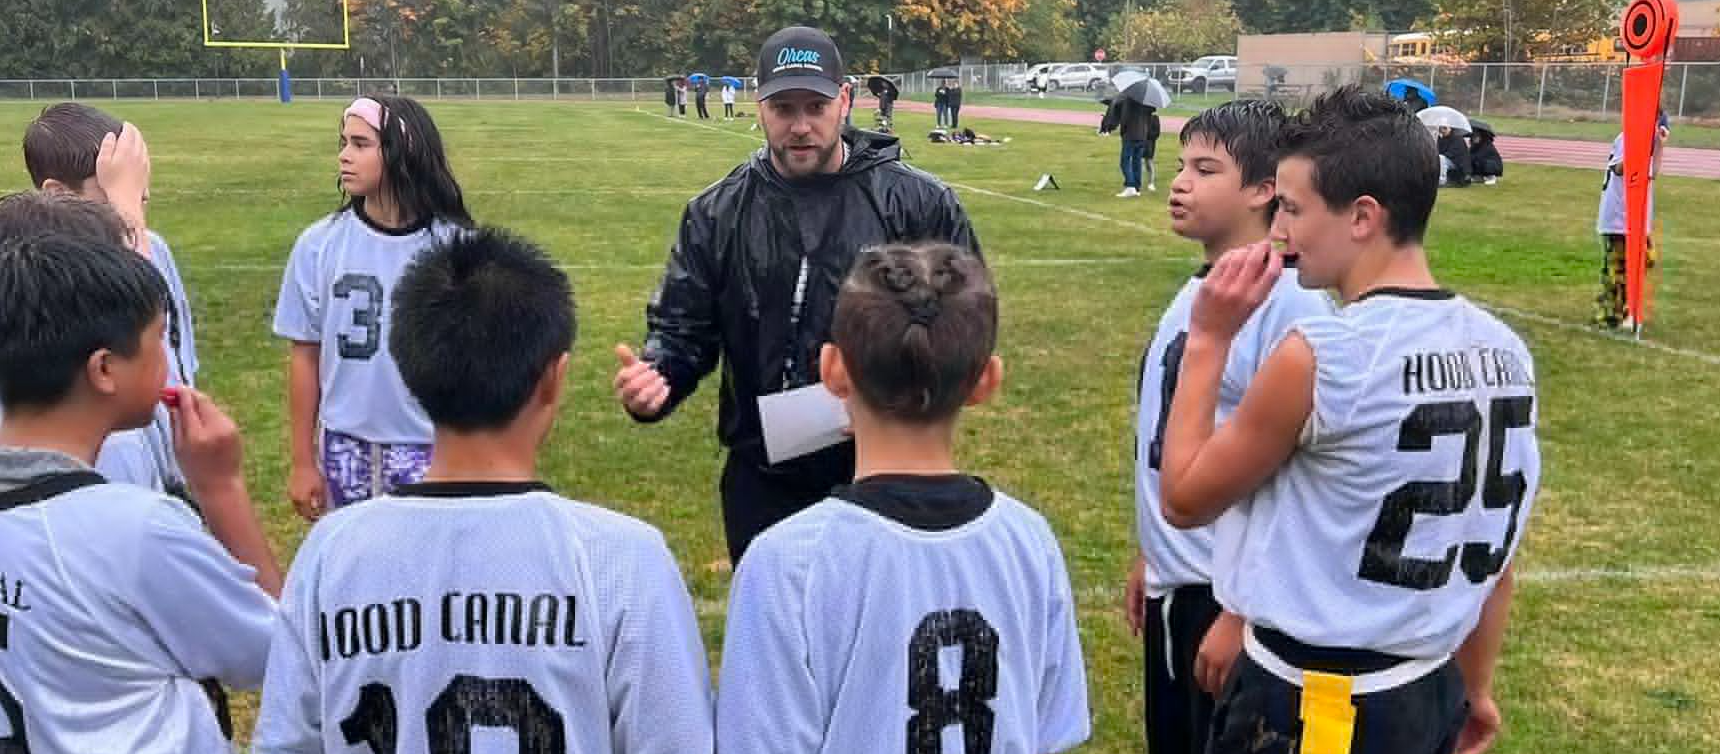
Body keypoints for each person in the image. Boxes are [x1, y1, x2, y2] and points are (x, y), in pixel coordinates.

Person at [1159, 85, 1540, 754]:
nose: (1279, 230)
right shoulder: (1504, 347)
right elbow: (1498, 560)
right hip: (1427, 686)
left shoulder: (1325, 354)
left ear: (1362, 216)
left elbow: (1186, 498)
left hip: (1318, 703)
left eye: (1294, 209)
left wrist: (1209, 339)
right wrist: (1477, 687)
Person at [253, 228, 714, 753]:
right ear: (554, 379)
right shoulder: (623, 560)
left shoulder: (330, 554)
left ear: (410, 370)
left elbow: (287, 742)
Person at [613, 25, 979, 564]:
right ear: (759, 107)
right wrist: (660, 373)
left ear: (846, 99)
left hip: (884, 471)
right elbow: (682, 329)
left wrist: (889, 392)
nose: (801, 126)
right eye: (784, 108)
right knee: (772, 635)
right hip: (763, 477)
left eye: (816, 105)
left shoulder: (917, 204)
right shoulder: (717, 213)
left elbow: (962, 323)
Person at [715, 243, 1091, 754]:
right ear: (987, 381)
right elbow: (1052, 728)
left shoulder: (787, 563)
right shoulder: (1030, 541)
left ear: (831, 370)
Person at [0, 232, 282, 754]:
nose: (168, 356)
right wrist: (221, 489)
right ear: (105, 369)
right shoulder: (134, 531)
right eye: (160, 338)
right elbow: (277, 652)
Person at [1132, 99, 1335, 754]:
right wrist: (1155, 552)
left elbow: (1305, 474)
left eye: (1205, 168)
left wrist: (1243, 608)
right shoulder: (1207, 288)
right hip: (1181, 582)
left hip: (1226, 604)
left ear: (1263, 189)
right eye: (1180, 165)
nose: (1179, 182)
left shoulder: (1291, 303)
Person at [274, 95, 473, 520]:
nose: (344, 156)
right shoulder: (319, 244)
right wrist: (302, 461)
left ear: (403, 151)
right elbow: (305, 357)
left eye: (361, 144)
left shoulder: (456, 249)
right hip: (344, 449)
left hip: (430, 447)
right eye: (343, 143)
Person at [26, 103, 203, 492]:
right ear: (57, 194)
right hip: (113, 466)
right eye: (114, 186)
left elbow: (177, 351)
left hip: (171, 458)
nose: (137, 201)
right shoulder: (46, 278)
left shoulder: (152, 247)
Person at [1596, 121, 1665, 329]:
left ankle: (1622, 308)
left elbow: (1652, 173)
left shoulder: (1648, 139)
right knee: (1619, 267)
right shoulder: (1628, 137)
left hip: (1637, 216)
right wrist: (1641, 148)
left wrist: (1659, 145)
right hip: (1619, 216)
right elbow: (1619, 168)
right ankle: (1614, 313)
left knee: (1645, 259)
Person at [1101, 94, 1158, 197]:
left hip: (1131, 134)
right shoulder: (1147, 102)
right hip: (1143, 135)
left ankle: (1130, 185)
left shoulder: (1129, 101)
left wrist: (1122, 131)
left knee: (1125, 161)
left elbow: (1125, 118)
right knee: (1137, 161)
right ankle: (1136, 187)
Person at [1144, 108, 1164, 193]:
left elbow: (1156, 133)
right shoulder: (1142, 117)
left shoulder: (1154, 118)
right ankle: (1136, 182)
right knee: (1138, 162)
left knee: (1149, 162)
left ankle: (1151, 183)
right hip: (1140, 141)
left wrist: (1147, 135)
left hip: (1149, 143)